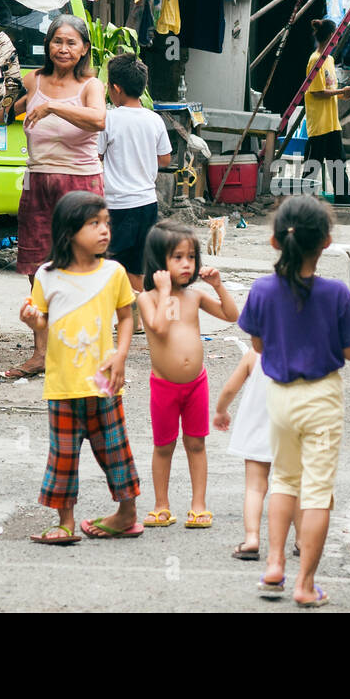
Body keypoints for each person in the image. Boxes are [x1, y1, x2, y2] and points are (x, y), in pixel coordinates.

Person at [239, 196, 350, 607]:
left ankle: (274, 564)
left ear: (275, 242)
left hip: (279, 398)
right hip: (322, 397)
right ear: (326, 242)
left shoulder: (261, 290)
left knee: (284, 481)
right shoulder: (336, 294)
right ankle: (305, 584)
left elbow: (257, 343)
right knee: (317, 492)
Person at [20, 191, 142, 544]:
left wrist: (120, 355)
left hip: (105, 383)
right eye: (94, 224)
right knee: (63, 457)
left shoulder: (114, 273)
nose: (105, 230)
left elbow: (126, 316)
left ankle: (127, 514)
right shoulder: (46, 275)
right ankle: (66, 522)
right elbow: (43, 322)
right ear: (69, 230)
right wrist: (30, 319)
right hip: (62, 384)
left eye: (107, 223)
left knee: (115, 451)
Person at [8, 14, 107, 379]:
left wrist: (52, 106)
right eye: (57, 41)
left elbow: (98, 120)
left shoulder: (90, 84)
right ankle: (41, 353)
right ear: (48, 45)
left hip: (80, 185)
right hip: (37, 181)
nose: (63, 48)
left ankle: (85, 351)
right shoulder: (32, 80)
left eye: (71, 42)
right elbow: (8, 110)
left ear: (84, 49)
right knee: (37, 268)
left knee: (81, 267)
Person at [136, 220, 240, 531]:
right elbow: (159, 328)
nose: (186, 264)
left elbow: (231, 315)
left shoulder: (194, 297)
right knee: (163, 446)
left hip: (196, 385)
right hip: (164, 387)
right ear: (158, 261)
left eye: (191, 257)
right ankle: (161, 505)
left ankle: (198, 505)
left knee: (196, 444)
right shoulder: (148, 299)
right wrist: (165, 291)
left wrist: (218, 285)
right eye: (177, 257)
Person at [213, 347, 302, 561]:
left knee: (254, 487)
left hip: (256, 432)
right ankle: (302, 539)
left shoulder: (254, 354)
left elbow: (229, 389)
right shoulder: (301, 352)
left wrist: (221, 411)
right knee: (295, 486)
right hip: (291, 430)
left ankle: (252, 538)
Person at [98, 54, 172, 295]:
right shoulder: (155, 120)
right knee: (138, 265)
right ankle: (139, 318)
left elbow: (97, 156)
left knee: (111, 261)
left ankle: (123, 312)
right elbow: (165, 159)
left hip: (117, 204)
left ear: (115, 88)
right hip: (147, 203)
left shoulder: (109, 119)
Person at [303, 18, 350, 205]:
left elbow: (331, 91)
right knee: (313, 165)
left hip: (332, 123)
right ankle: (303, 202)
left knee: (338, 164)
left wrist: (345, 93)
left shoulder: (330, 59)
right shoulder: (315, 60)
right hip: (318, 124)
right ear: (330, 37)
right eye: (336, 36)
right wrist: (342, 91)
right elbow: (317, 92)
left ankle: (345, 202)